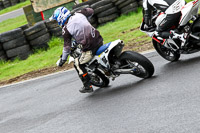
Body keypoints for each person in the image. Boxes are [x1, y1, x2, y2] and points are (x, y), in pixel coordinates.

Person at [49, 7, 103, 93]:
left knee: (78, 64)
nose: (57, 22)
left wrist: (63, 60)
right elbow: (91, 11)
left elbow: (66, 47)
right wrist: (85, 20)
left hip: (90, 47)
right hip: (99, 40)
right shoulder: (79, 13)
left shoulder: (66, 30)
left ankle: (87, 86)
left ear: (60, 18)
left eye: (56, 20)